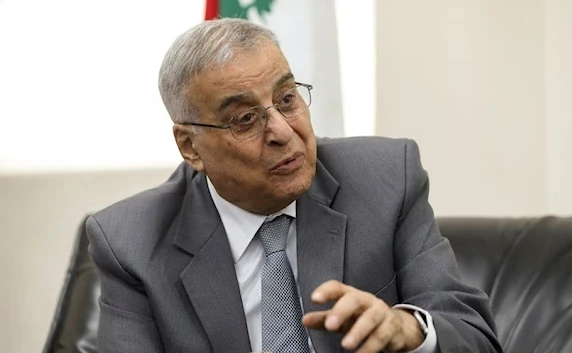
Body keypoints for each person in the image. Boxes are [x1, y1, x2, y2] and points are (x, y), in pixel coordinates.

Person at [86, 18, 501, 353]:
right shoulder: (131, 242)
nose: (283, 131)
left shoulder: (388, 179)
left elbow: (473, 335)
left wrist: (409, 331)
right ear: (190, 146)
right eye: (245, 119)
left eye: (287, 99)